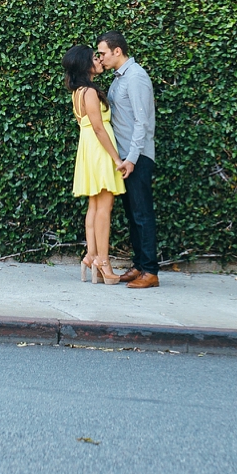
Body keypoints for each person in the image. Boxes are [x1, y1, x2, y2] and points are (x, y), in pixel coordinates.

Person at [95, 31, 159, 288]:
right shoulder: (118, 79)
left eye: (102, 53)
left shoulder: (136, 77)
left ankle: (151, 272)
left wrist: (131, 158)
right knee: (133, 214)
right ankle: (140, 266)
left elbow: (142, 122)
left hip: (138, 157)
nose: (100, 57)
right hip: (124, 159)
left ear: (117, 51)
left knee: (142, 214)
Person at [63, 44, 124, 284]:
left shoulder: (78, 92)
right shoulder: (88, 92)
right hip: (99, 150)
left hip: (89, 148)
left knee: (94, 206)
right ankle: (103, 261)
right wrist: (116, 158)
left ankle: (91, 256)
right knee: (104, 208)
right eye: (94, 58)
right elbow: (99, 128)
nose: (99, 60)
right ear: (85, 65)